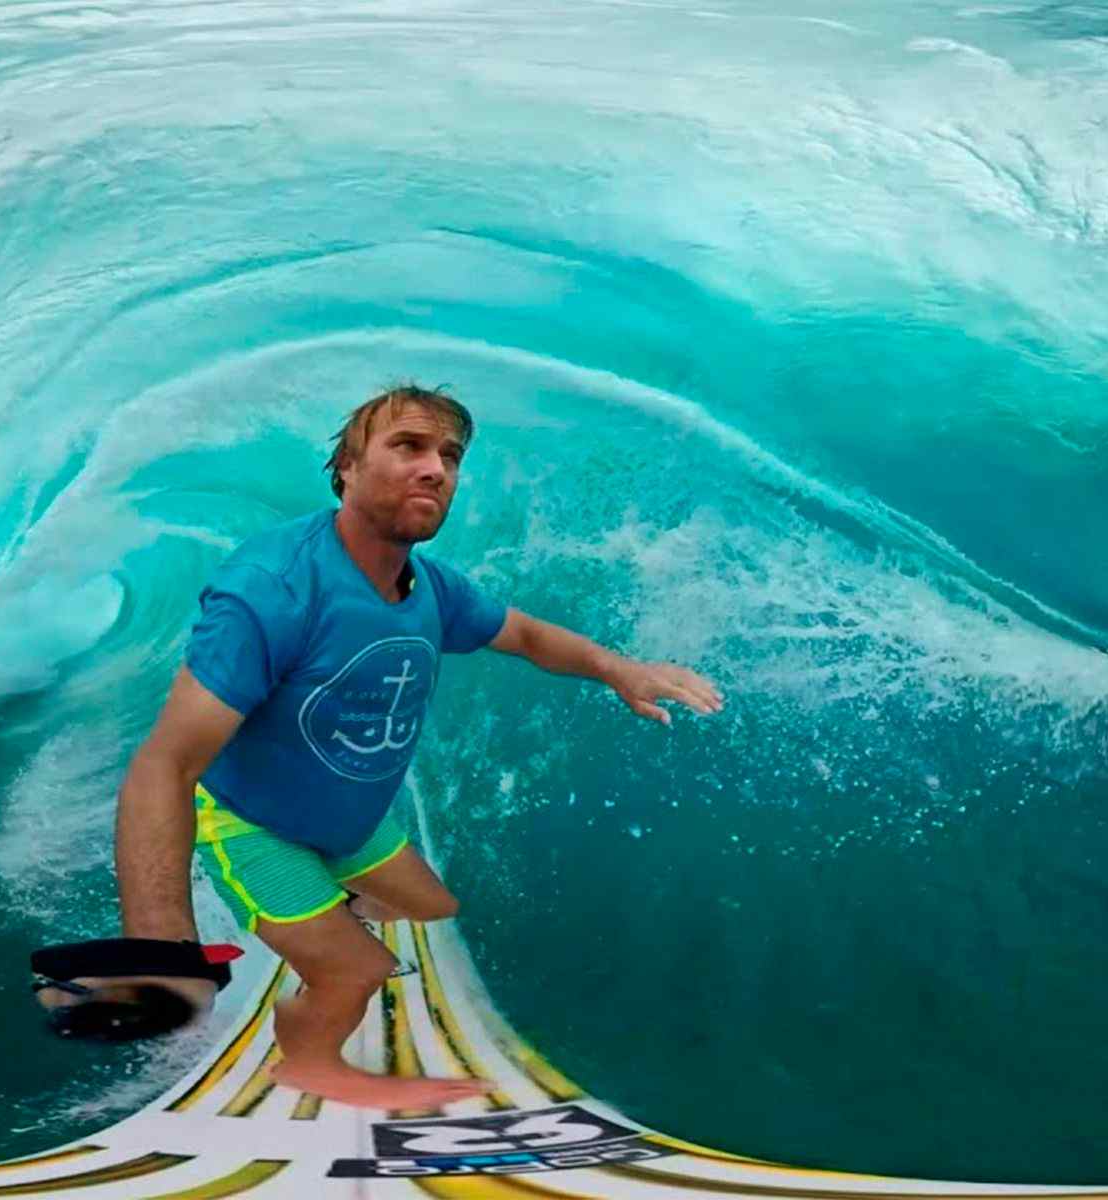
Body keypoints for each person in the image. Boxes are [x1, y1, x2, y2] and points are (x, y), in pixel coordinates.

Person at [109, 385, 723, 1110]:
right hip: (254, 822)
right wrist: (162, 948)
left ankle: (318, 920)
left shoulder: (428, 585)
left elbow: (524, 635)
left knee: (430, 909)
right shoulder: (273, 590)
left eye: (450, 456)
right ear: (345, 469)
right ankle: (308, 1054)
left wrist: (620, 668)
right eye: (408, 446)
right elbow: (164, 764)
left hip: (347, 819)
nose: (435, 468)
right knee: (359, 973)